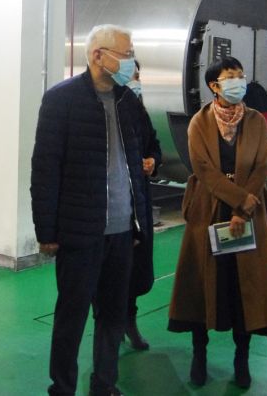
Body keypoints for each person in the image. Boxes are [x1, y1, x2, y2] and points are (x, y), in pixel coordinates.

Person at [31, 24, 151, 396]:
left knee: (112, 315)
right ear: (98, 55)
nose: (131, 61)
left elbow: (140, 158)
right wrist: (46, 231)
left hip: (122, 230)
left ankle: (105, 383)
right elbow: (45, 169)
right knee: (72, 315)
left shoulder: (128, 100)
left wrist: (138, 222)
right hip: (79, 232)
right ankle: (62, 387)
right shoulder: (61, 100)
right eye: (125, 54)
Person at [167, 56, 267, 390]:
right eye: (231, 76)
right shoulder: (199, 122)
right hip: (209, 209)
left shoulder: (256, 121)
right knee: (202, 285)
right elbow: (203, 169)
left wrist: (242, 210)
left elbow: (261, 167)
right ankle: (199, 355)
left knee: (243, 287)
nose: (238, 82)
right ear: (214, 85)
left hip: (248, 210)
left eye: (240, 76)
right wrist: (238, 201)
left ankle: (241, 359)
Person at [123, 61, 161, 351]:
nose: (136, 80)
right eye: (132, 75)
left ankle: (129, 321)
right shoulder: (103, 110)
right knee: (111, 271)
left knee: (135, 269)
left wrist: (152, 161)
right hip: (115, 203)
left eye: (138, 75)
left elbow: (154, 144)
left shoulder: (139, 110)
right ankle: (108, 324)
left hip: (140, 201)